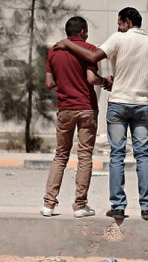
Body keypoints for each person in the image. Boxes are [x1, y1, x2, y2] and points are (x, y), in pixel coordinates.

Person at [55, 7, 148, 220]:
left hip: (118, 104)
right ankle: (147, 206)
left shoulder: (118, 38)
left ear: (128, 22)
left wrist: (68, 43)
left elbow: (93, 55)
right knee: (143, 155)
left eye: (120, 23)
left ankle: (118, 206)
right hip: (141, 105)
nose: (118, 27)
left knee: (117, 155)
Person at [41, 16, 109, 218]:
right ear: (82, 31)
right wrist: (105, 81)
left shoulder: (54, 51)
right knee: (85, 155)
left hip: (65, 109)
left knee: (61, 155)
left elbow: (49, 84)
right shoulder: (89, 49)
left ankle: (49, 204)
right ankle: (80, 205)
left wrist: (64, 81)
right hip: (87, 107)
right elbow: (91, 78)